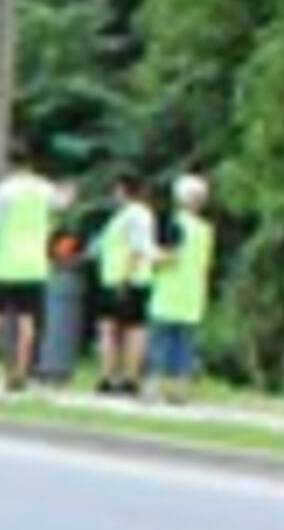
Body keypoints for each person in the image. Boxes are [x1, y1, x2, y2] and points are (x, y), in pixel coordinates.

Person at [0, 140, 71, 392]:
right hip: (34, 265)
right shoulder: (44, 188)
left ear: (9, 163)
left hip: (3, 263)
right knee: (28, 320)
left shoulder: (4, 191)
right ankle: (20, 371)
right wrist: (68, 189)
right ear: (31, 162)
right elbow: (63, 203)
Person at [145, 170, 218, 404]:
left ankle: (155, 387)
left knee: (161, 343)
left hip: (168, 293)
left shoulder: (174, 224)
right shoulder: (206, 230)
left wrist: (152, 257)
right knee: (185, 346)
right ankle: (181, 390)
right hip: (193, 294)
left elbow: (168, 256)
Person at [91, 173, 160, 396]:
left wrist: (124, 277)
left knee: (111, 329)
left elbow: (136, 248)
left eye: (117, 190)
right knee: (131, 328)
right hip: (131, 279)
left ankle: (111, 375)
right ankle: (127, 376)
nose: (114, 195)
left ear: (124, 190)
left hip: (122, 279)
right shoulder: (134, 214)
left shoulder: (134, 215)